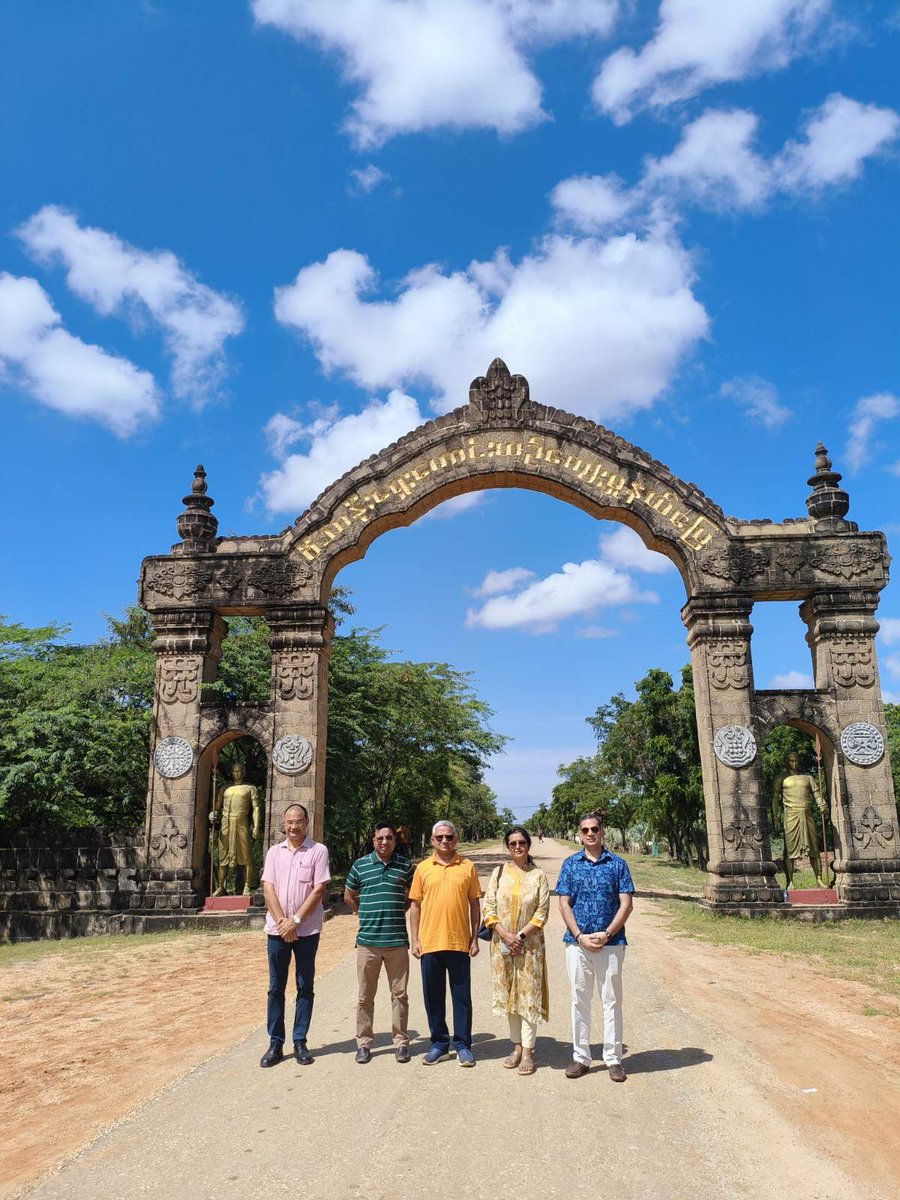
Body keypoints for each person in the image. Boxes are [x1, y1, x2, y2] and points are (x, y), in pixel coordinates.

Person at [557, 811, 634, 1082]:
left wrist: (608, 933)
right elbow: (564, 903)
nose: (590, 834)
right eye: (585, 830)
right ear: (579, 834)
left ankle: (613, 1059)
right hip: (577, 945)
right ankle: (581, 1057)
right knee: (580, 1001)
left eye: (594, 829)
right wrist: (579, 936)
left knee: (611, 1001)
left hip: (611, 944)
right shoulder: (570, 864)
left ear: (602, 831)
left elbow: (626, 903)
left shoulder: (618, 864)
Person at [259, 803, 330, 1068]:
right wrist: (282, 923)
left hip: (307, 930)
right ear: (283, 823)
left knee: (305, 985)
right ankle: (275, 1043)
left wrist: (296, 921)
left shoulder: (317, 851)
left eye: (298, 821)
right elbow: (268, 889)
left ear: (307, 822)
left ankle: (300, 1041)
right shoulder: (274, 852)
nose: (293, 827)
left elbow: (319, 888)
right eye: (289, 822)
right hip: (277, 930)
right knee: (276, 988)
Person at [409, 820, 481, 1066]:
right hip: (430, 943)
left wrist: (474, 938)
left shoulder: (467, 867)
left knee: (461, 997)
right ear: (432, 841)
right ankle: (439, 1043)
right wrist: (414, 939)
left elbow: (474, 904)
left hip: (459, 942)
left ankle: (462, 1044)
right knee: (433, 997)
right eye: (439, 837)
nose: (444, 841)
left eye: (449, 837)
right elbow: (415, 905)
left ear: (455, 840)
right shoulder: (422, 868)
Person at [344, 820, 416, 1064]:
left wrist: (399, 909)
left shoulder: (406, 867)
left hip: (397, 942)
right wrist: (362, 912)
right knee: (365, 996)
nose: (384, 842)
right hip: (368, 943)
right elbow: (348, 895)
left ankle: (401, 1042)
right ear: (373, 840)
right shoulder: (360, 865)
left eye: (389, 838)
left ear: (395, 841)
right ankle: (363, 1043)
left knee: (400, 995)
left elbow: (412, 898)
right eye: (380, 838)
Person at [482, 826, 550, 1076]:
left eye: (522, 842)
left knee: (528, 997)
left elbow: (542, 912)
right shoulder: (498, 873)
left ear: (528, 845)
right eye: (513, 844)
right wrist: (504, 934)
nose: (518, 847)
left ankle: (529, 1053)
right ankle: (517, 1047)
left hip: (529, 947)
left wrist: (519, 936)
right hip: (501, 947)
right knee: (510, 997)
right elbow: (488, 907)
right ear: (508, 847)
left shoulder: (539, 875)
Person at [774, 751, 827, 888]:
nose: (794, 763)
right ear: (787, 762)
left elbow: (816, 793)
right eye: (791, 761)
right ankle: (790, 881)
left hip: (807, 814)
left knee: (814, 847)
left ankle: (819, 878)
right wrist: (775, 818)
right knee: (790, 849)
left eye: (796, 760)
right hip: (791, 815)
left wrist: (821, 802)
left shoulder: (807, 778)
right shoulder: (781, 778)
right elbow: (775, 799)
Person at [211, 761, 260, 896]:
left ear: (243, 772)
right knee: (223, 855)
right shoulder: (224, 789)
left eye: (239, 771)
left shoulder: (250, 788)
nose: (236, 773)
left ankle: (247, 885)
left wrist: (256, 826)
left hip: (241, 821)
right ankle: (221, 886)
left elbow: (256, 808)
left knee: (245, 854)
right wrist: (212, 814)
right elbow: (217, 807)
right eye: (234, 771)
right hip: (226, 822)